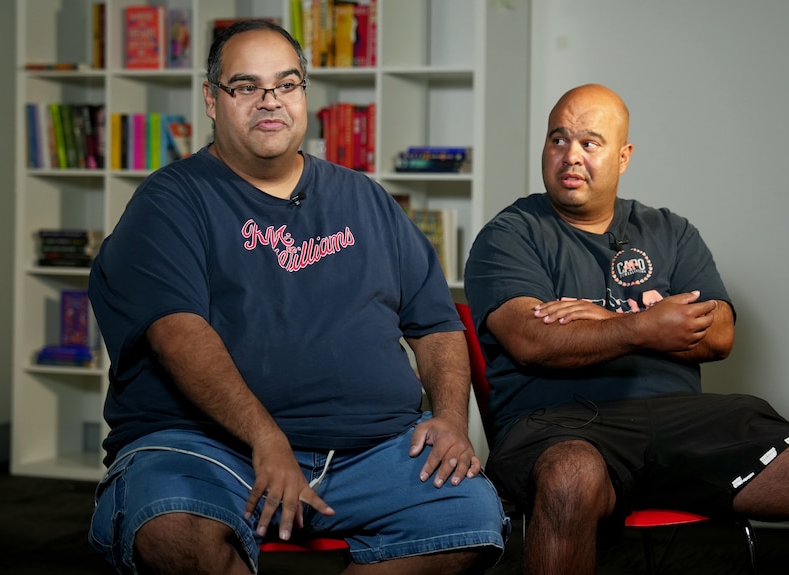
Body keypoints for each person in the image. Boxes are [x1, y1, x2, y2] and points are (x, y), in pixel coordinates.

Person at [87, 20, 507, 575]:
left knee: (471, 517)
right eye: (246, 87)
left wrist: (451, 419)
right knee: (172, 530)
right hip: (211, 448)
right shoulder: (170, 202)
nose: (270, 102)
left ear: (304, 94)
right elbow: (176, 332)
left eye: (287, 84)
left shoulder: (366, 199)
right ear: (212, 100)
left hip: (372, 452)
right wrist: (267, 439)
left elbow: (435, 324)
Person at [463, 83, 789, 575]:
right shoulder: (510, 234)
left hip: (682, 423)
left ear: (623, 156)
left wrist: (611, 322)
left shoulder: (671, 231)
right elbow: (532, 340)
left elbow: (720, 334)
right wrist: (648, 327)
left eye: (590, 142)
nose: (570, 155)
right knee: (569, 477)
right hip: (560, 424)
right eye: (557, 139)